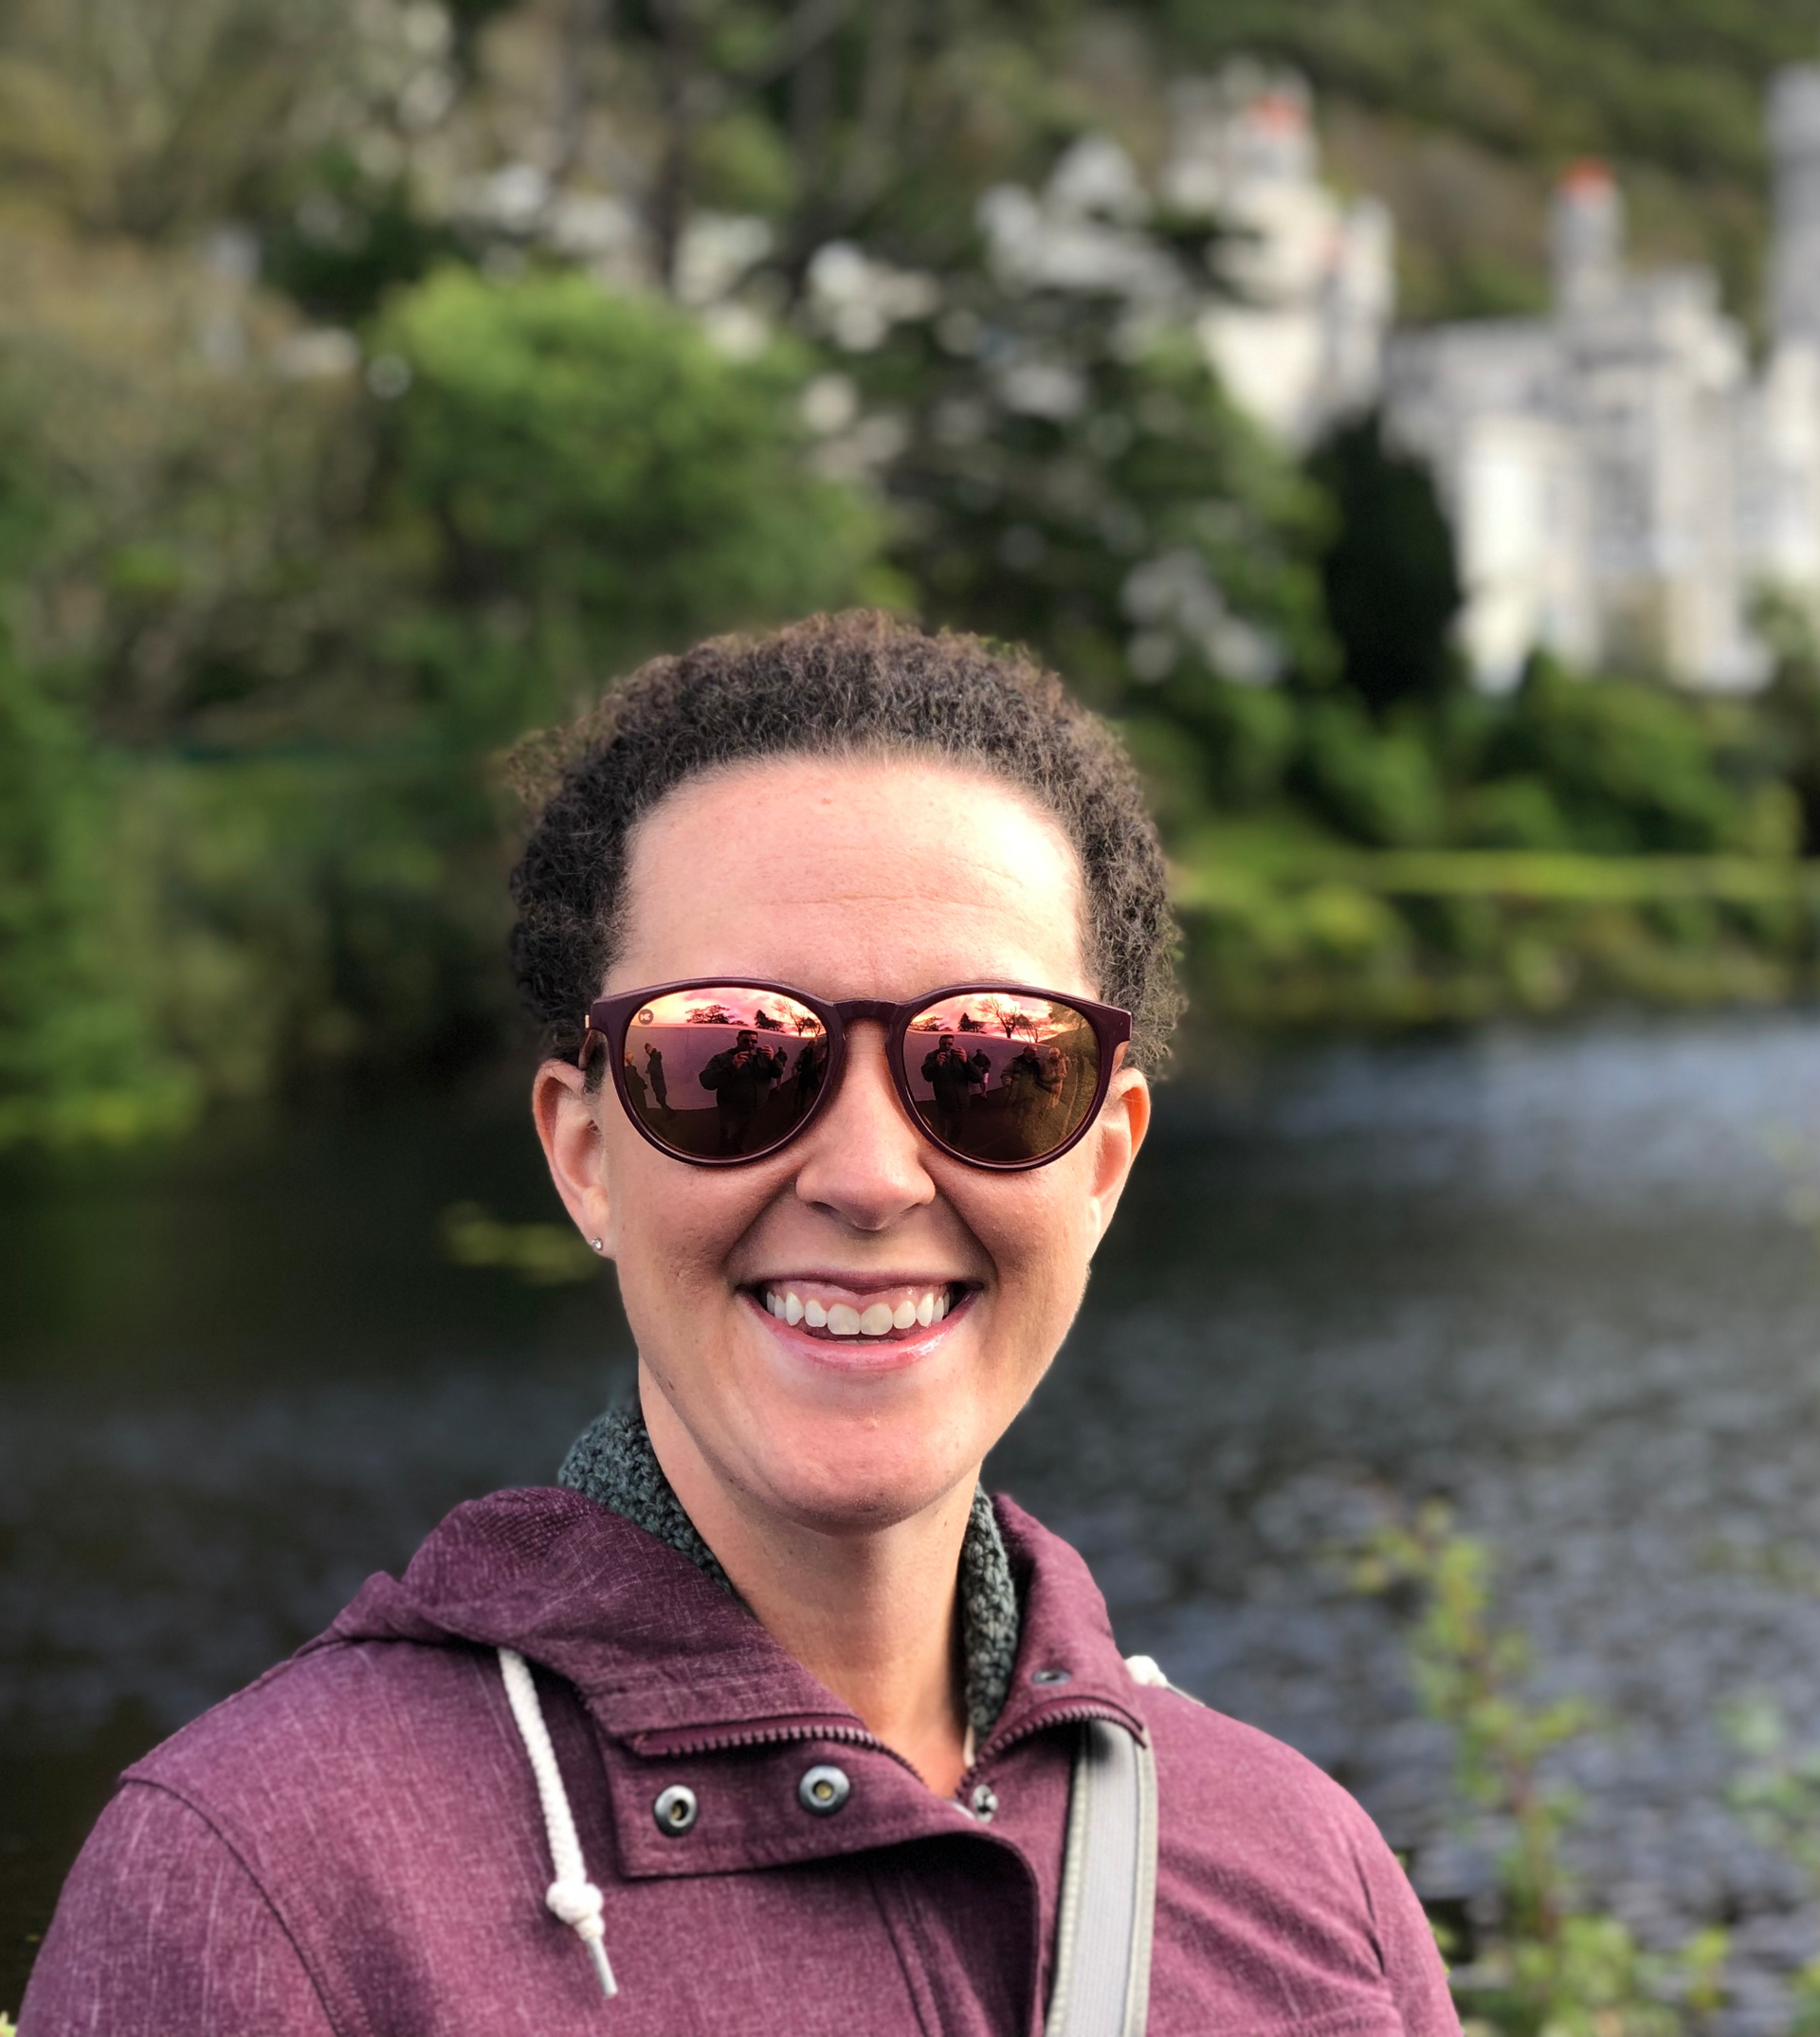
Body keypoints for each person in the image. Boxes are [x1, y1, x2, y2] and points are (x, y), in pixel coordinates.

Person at [23, 613, 1457, 2036]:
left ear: (1103, 1157)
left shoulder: (1306, 1880)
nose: (869, 1175)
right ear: (585, 1152)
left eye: (992, 1066)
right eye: (732, 1060)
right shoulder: (263, 1889)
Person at [921, 1030, 987, 1144]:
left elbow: (978, 1078)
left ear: (953, 1044)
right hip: (945, 1104)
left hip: (962, 1103)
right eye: (944, 1044)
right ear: (939, 1043)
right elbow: (927, 1076)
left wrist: (967, 1062)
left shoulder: (958, 1056)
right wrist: (936, 1065)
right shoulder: (932, 1056)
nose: (947, 1047)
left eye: (950, 1044)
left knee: (957, 1133)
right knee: (943, 1135)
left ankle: (953, 1148)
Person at [643, 1042, 669, 1113]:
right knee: (661, 1100)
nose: (647, 1051)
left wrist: (649, 1069)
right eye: (647, 1050)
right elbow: (654, 1067)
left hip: (658, 1083)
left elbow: (653, 1067)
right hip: (658, 1083)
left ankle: (671, 1114)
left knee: (660, 1099)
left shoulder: (654, 1057)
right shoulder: (655, 1057)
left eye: (648, 1049)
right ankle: (671, 1115)